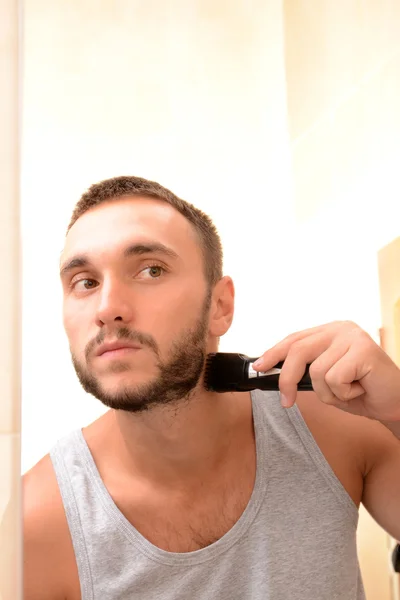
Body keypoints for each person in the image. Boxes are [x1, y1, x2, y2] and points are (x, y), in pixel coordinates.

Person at [2, 175, 399, 600]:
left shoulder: (331, 425)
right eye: (85, 281)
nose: (108, 309)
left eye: (150, 270)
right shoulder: (35, 524)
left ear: (220, 306)